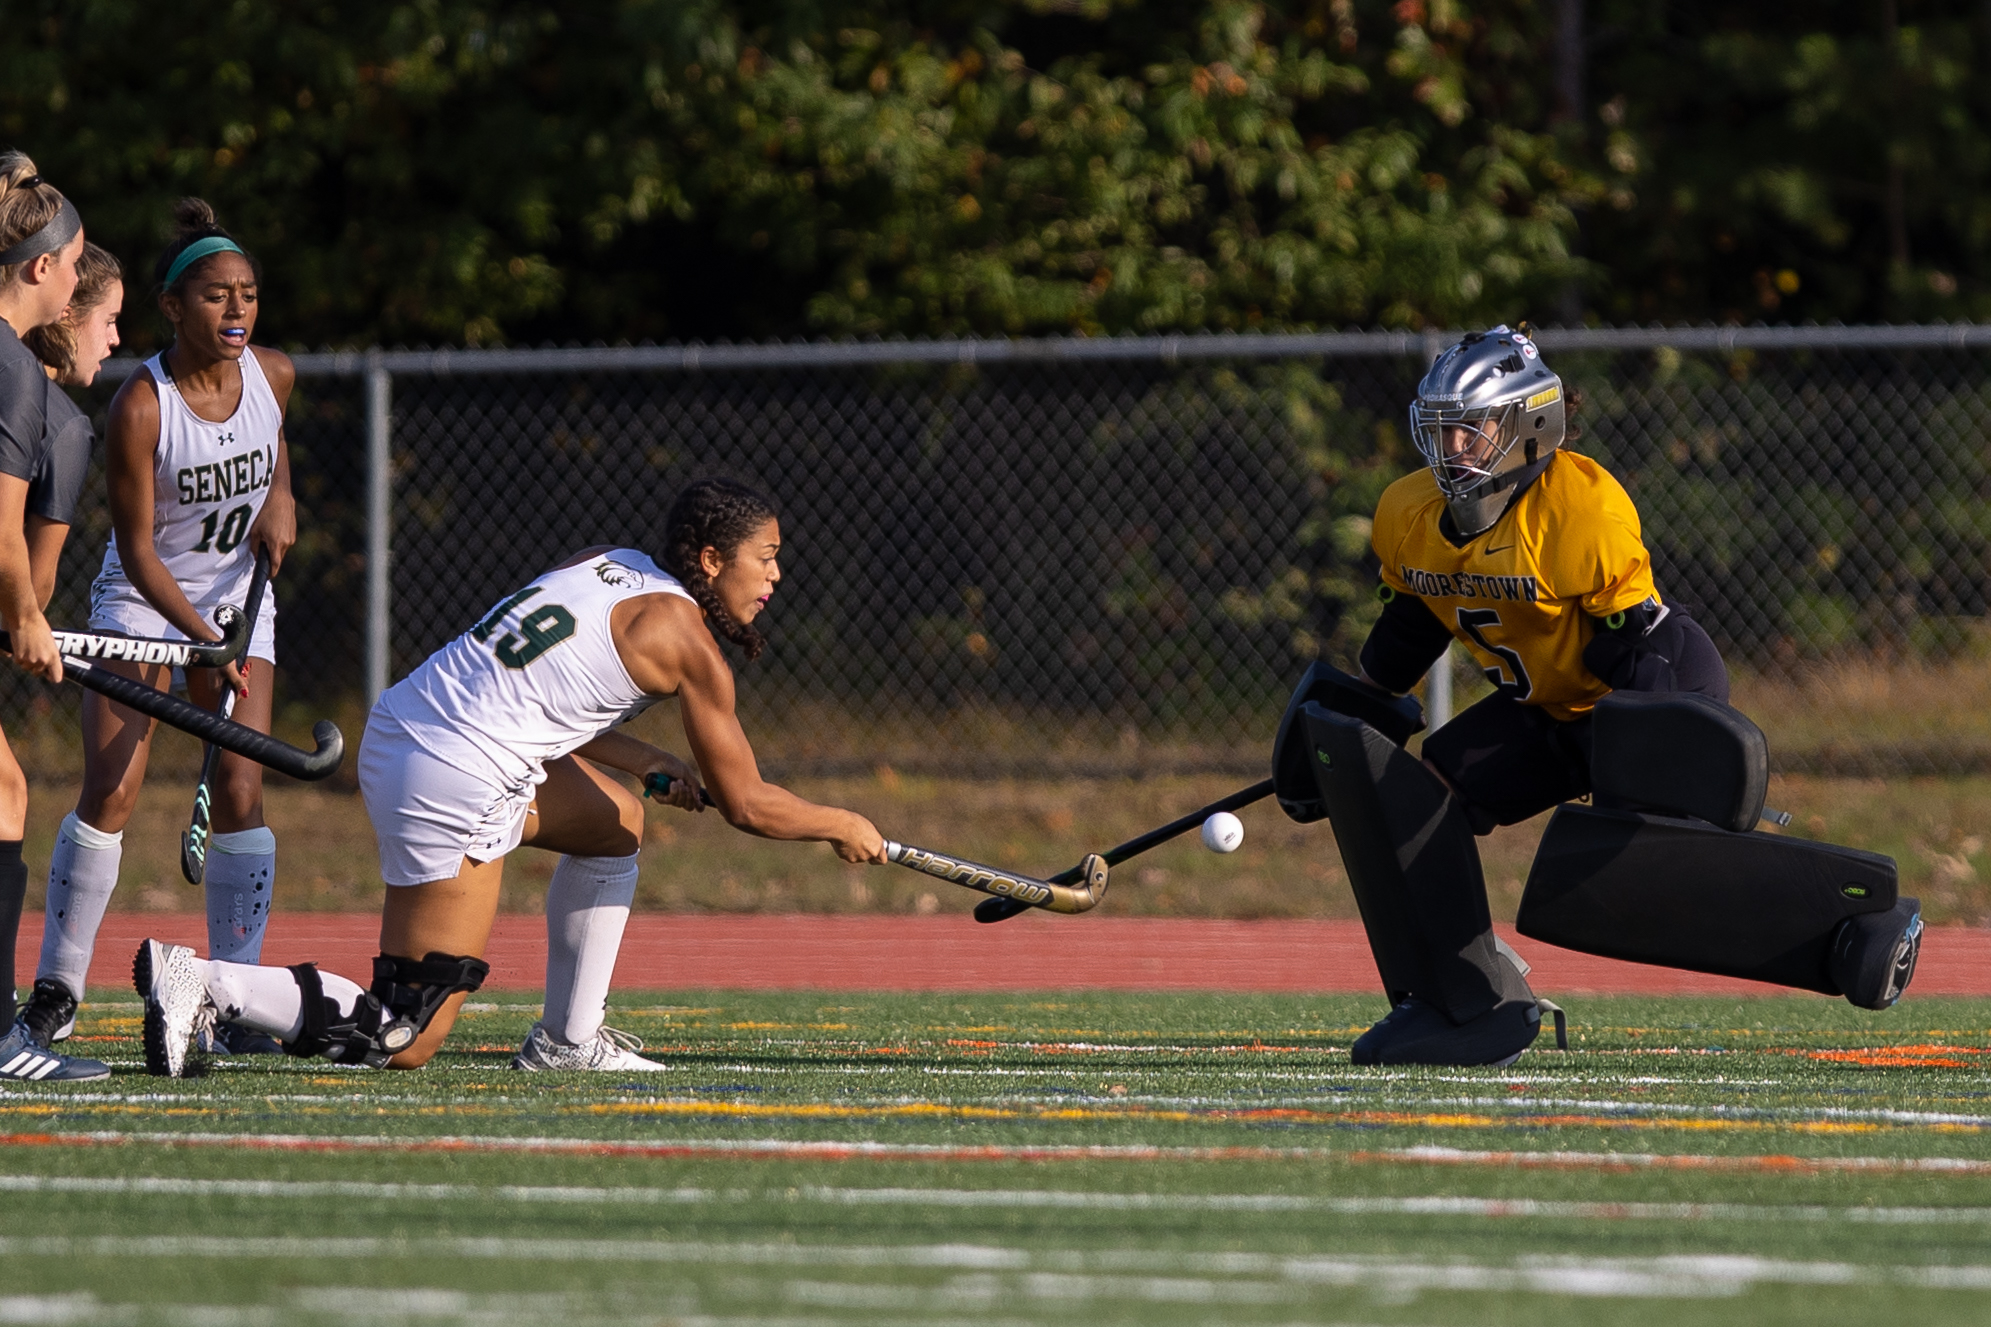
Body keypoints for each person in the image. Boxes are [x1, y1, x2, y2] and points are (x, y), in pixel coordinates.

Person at [137, 477, 888, 1077]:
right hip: (459, 771)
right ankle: (207, 984)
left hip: (412, 725)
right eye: (766, 555)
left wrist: (645, 759)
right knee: (407, 1031)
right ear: (715, 560)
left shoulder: (608, 560)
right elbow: (746, 803)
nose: (777, 574)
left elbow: (544, 692)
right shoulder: (690, 642)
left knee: (616, 822)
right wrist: (840, 823)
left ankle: (568, 1038)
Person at [1340, 324, 1729, 1066]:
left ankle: (1840, 934)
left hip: (1642, 695)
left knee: (1641, 875)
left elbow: (1640, 646)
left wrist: (1646, 769)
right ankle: (1466, 998)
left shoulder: (1579, 509)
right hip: (1546, 707)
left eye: (1470, 429)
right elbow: (1412, 619)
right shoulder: (1407, 511)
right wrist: (1346, 720)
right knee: (1417, 796)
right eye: (1441, 430)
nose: (1451, 448)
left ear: (1528, 424)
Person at [19, 198, 297, 1061]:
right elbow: (138, 553)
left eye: (248, 294)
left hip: (237, 602)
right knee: (113, 786)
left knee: (244, 793)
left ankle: (231, 998)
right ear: (173, 307)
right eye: (217, 296)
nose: (238, 310)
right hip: (148, 606)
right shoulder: (143, 403)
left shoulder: (274, 375)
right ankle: (58, 989)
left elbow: (274, 443)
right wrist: (197, 637)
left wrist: (280, 496)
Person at [0, 151, 110, 1083]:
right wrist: (29, 618)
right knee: (4, 793)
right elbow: (2, 535)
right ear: (41, 269)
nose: (79, 281)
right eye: (75, 266)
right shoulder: (13, 372)